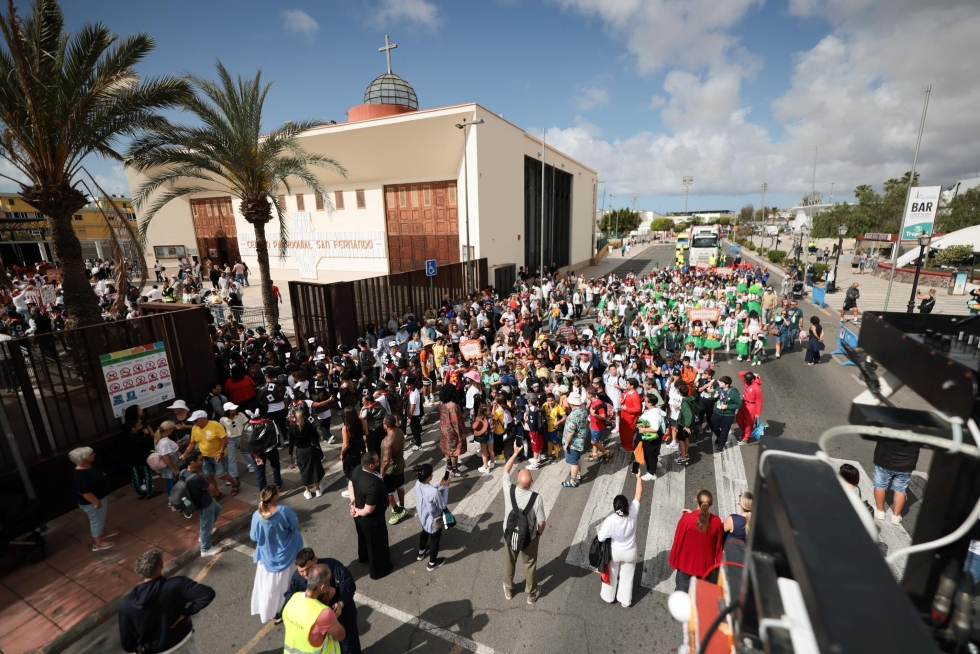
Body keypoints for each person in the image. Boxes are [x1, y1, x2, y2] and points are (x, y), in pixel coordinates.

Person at [118, 549, 215, 654]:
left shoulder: (126, 604)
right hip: (183, 640)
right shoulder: (177, 584)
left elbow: (127, 643)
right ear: (161, 565)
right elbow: (207, 594)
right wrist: (186, 613)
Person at [285, 548, 360, 654]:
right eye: (301, 571)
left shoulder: (333, 567)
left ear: (316, 560)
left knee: (349, 647)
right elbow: (289, 597)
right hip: (319, 626)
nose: (306, 574)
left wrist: (341, 603)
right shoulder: (297, 578)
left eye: (309, 568)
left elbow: (348, 584)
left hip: (343, 618)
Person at [250, 485, 304, 624]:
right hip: (288, 553)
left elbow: (254, 537)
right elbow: (294, 525)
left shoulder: (257, 515)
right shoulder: (284, 511)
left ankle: (273, 611)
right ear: (274, 496)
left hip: (267, 558)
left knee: (270, 587)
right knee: (289, 582)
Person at [502, 441, 546, 604]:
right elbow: (541, 523)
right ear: (530, 482)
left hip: (509, 534)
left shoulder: (509, 489)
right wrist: (538, 535)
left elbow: (505, 470)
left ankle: (509, 589)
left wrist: (514, 453)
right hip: (529, 537)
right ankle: (531, 594)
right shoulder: (536, 498)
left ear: (518, 481)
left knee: (509, 562)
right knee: (529, 565)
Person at [597, 467, 642, 608]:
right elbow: (638, 495)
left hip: (615, 552)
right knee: (627, 576)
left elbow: (601, 538)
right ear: (627, 506)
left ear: (615, 507)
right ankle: (625, 600)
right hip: (630, 551)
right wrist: (638, 477)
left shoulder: (610, 520)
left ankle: (609, 596)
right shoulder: (633, 513)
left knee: (612, 573)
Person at [281, 564, 347, 654]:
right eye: (329, 581)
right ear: (323, 587)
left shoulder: (294, 598)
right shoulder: (324, 613)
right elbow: (340, 635)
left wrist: (327, 601)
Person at [348, 452, 394, 579]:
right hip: (372, 520)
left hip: (360, 517)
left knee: (363, 538)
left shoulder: (358, 469)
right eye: (377, 461)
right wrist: (357, 510)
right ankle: (379, 570)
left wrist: (353, 502)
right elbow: (369, 509)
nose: (379, 462)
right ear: (371, 466)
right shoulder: (372, 484)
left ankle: (363, 557)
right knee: (377, 544)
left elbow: (351, 484)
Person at [668, 489, 723, 592]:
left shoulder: (687, 519)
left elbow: (678, 541)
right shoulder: (717, 521)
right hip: (705, 566)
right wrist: (718, 564)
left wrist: (673, 560)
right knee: (698, 594)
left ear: (696, 499)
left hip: (685, 563)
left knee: (681, 591)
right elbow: (718, 545)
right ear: (711, 504)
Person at [182, 410, 240, 498]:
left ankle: (235, 482)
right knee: (208, 476)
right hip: (205, 456)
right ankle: (217, 493)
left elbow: (224, 439)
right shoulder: (195, 428)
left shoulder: (215, 425)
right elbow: (192, 442)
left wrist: (220, 453)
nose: (194, 423)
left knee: (221, 475)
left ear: (203, 419)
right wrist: (185, 454)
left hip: (218, 455)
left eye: (195, 420)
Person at [70, 447, 118, 552]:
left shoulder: (87, 467)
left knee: (100, 517)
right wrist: (96, 502)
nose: (94, 454)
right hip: (92, 502)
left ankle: (103, 533)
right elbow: (85, 492)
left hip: (98, 498)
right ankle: (98, 543)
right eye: (91, 454)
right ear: (84, 458)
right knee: (96, 520)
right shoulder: (81, 475)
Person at [180, 452, 222, 557]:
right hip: (204, 504)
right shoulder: (196, 478)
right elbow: (212, 487)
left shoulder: (183, 472)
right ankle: (205, 549)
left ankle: (207, 532)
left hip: (204, 501)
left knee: (217, 508)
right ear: (193, 462)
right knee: (205, 525)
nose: (203, 461)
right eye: (200, 459)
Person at [872, 438, 920, 525]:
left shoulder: (894, 424)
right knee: (900, 490)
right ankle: (896, 516)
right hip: (906, 464)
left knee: (880, 486)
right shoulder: (918, 426)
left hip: (884, 460)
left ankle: (880, 511)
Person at [413, 462, 450, 571]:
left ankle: (421, 552)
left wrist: (439, 483)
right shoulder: (433, 492)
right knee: (434, 541)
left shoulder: (417, 484)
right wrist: (446, 487)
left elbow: (428, 490)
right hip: (433, 522)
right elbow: (443, 505)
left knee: (424, 533)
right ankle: (432, 563)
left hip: (423, 517)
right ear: (429, 476)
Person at [289, 401, 326, 500]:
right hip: (311, 449)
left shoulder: (292, 429)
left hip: (300, 452)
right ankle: (318, 489)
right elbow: (316, 438)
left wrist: (290, 453)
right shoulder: (309, 426)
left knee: (304, 471)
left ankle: (308, 491)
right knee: (314, 469)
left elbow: (291, 443)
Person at [380, 415, 408, 524]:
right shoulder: (400, 432)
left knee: (388, 493)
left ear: (386, 425)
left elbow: (386, 461)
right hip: (400, 466)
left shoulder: (386, 442)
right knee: (400, 487)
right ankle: (402, 507)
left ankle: (396, 511)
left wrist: (382, 474)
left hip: (390, 471)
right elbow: (403, 443)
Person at [438, 384, 466, 477]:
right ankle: (454, 469)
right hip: (452, 432)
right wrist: (460, 434)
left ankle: (449, 465)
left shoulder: (441, 403)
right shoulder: (453, 406)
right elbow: (456, 422)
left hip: (444, 430)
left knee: (447, 449)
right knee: (454, 451)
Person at [636, 393, 665, 481]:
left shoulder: (654, 414)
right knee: (653, 453)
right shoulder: (653, 410)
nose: (644, 402)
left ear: (650, 403)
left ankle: (651, 473)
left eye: (645, 401)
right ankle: (655, 464)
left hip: (651, 438)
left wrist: (642, 430)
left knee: (650, 455)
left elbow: (655, 428)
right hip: (651, 437)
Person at [709, 376, 741, 450]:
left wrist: (727, 407)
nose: (719, 383)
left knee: (725, 430)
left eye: (721, 382)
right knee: (713, 427)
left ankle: (721, 444)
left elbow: (739, 404)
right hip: (716, 412)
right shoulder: (718, 388)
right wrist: (714, 396)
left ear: (727, 384)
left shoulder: (733, 393)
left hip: (727, 415)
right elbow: (712, 396)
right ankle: (719, 437)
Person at [735, 371, 763, 443]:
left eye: (747, 380)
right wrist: (754, 373)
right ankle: (746, 433)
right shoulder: (747, 381)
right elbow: (740, 373)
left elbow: (759, 401)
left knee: (748, 422)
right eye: (745, 380)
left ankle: (746, 438)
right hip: (743, 404)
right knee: (739, 419)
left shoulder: (757, 388)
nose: (745, 382)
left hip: (751, 406)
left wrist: (757, 413)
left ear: (752, 380)